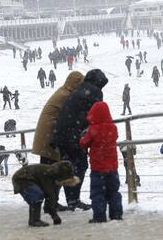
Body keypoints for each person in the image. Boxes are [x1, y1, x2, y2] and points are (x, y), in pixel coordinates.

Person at [52, 69, 108, 211]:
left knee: (68, 167)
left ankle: (70, 200)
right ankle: (74, 199)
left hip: (62, 134)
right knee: (80, 166)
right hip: (73, 135)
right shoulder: (94, 91)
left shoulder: (80, 89)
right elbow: (97, 114)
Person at [32, 71, 83, 212]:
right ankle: (50, 204)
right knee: (52, 172)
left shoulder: (63, 91)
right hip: (50, 138)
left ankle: (51, 202)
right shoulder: (66, 96)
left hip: (47, 136)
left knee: (51, 171)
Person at [79, 101, 123, 222]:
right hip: (113, 167)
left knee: (97, 193)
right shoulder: (113, 127)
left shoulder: (93, 129)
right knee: (114, 191)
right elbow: (115, 137)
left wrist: (82, 137)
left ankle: (99, 216)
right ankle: (116, 214)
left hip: (98, 168)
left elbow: (84, 143)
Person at [12, 161, 80, 227]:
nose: (63, 185)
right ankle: (34, 220)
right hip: (22, 179)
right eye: (64, 183)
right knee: (37, 195)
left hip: (26, 178)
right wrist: (54, 216)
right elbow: (49, 195)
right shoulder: (48, 175)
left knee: (37, 196)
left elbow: (50, 197)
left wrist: (53, 214)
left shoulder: (54, 174)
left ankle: (34, 220)